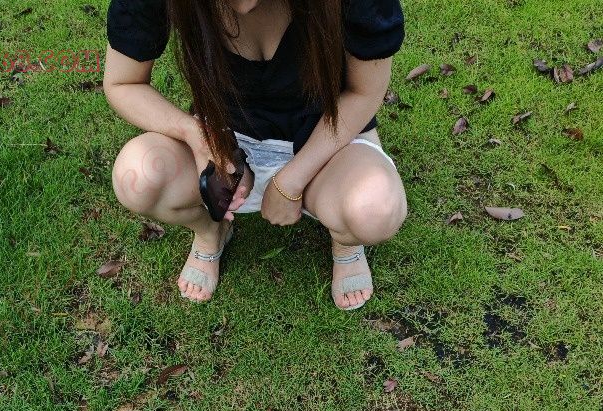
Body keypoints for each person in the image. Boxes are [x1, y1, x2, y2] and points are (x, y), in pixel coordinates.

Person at [104, 0, 408, 309]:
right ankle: (210, 231)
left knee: (375, 210)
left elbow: (365, 92)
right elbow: (122, 83)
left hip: (330, 141)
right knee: (136, 178)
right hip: (224, 135)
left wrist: (291, 181)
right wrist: (198, 135)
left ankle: (346, 243)